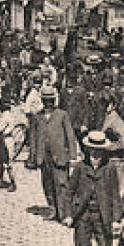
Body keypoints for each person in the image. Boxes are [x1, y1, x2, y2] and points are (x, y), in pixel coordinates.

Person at [68, 130, 122, 246]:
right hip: (83, 215)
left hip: (103, 215)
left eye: (99, 152)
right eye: (93, 152)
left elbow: (115, 195)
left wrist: (116, 219)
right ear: (88, 150)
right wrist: (68, 214)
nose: (96, 155)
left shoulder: (110, 168)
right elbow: (69, 192)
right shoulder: (80, 167)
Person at [32, 85, 80, 224]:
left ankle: (64, 212)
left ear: (54, 100)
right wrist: (34, 157)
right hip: (44, 155)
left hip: (59, 155)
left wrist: (72, 154)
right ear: (42, 100)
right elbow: (33, 137)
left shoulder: (62, 115)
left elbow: (70, 135)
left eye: (50, 100)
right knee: (47, 183)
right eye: (45, 100)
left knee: (62, 183)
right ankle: (53, 209)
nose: (48, 102)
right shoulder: (37, 117)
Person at [0, 96, 18, 192]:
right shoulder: (9, 115)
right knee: (1, 160)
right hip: (6, 139)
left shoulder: (5, 116)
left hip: (6, 140)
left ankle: (13, 183)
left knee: (7, 163)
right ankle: (0, 179)